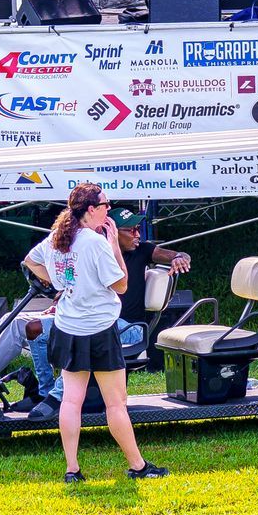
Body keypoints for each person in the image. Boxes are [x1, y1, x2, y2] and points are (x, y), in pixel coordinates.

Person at [25, 183, 169, 483]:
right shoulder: (94, 241)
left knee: (71, 401)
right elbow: (121, 285)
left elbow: (30, 261)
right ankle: (138, 466)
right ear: (91, 210)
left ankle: (72, 470)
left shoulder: (57, 238)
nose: (109, 209)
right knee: (115, 403)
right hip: (100, 329)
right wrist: (115, 243)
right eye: (105, 204)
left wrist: (57, 283)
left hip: (69, 327)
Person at [111, 205, 192, 364]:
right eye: (131, 230)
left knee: (86, 333)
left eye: (137, 229)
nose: (138, 235)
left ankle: (61, 389)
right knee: (47, 329)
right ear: (113, 233)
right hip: (105, 324)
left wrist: (178, 258)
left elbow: (182, 255)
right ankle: (48, 386)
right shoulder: (97, 253)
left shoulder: (142, 250)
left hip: (130, 327)